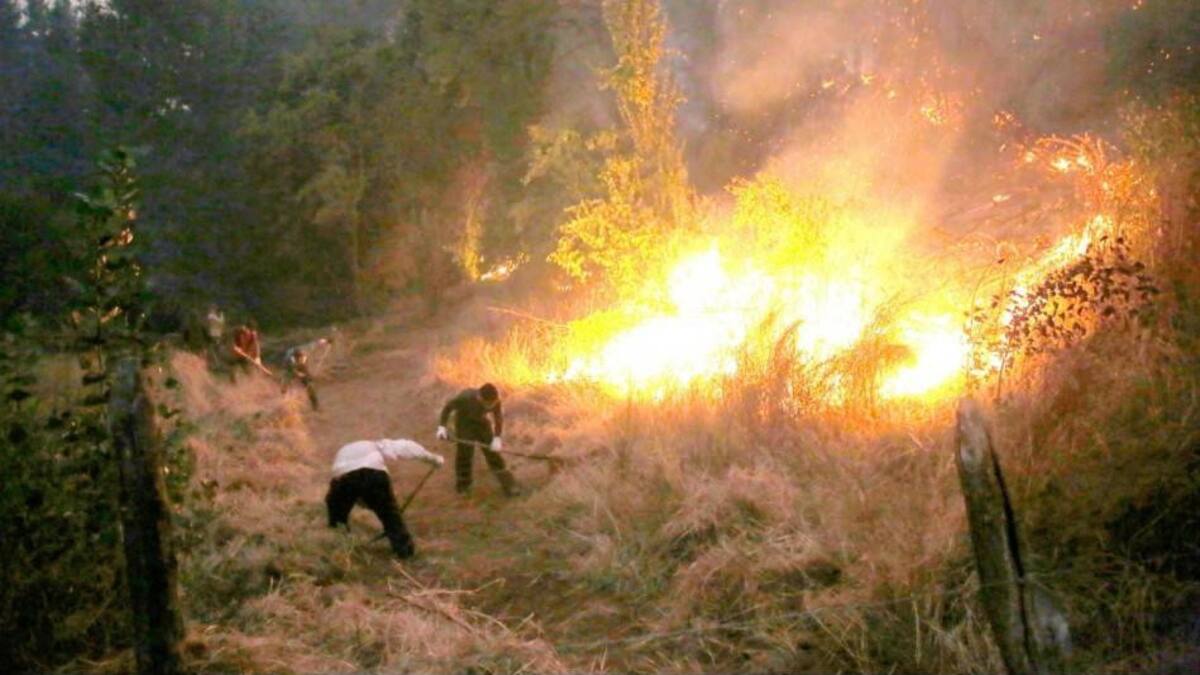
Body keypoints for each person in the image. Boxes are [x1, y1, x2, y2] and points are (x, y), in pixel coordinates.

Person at [326, 438, 444, 559]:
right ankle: (405, 552)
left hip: (343, 478)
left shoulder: (350, 454)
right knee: (390, 515)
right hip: (373, 475)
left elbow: (334, 496)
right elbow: (408, 447)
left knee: (337, 518)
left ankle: (341, 549)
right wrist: (434, 459)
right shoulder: (379, 446)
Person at [436, 383, 520, 497]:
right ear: (479, 398)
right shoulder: (465, 398)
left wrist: (497, 438)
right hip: (464, 423)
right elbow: (447, 408)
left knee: (493, 453)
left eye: (493, 404)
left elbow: (498, 417)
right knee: (465, 453)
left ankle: (509, 485)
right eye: (488, 404)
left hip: (481, 423)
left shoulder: (495, 401)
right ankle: (463, 486)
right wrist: (442, 427)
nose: (491, 406)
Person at [282, 337, 329, 410]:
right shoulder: (290, 360)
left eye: (303, 357)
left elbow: (317, 343)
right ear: (296, 358)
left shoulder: (307, 349)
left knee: (309, 385)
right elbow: (292, 370)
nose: (302, 359)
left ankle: (315, 405)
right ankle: (285, 401)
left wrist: (327, 340)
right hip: (288, 368)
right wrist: (298, 374)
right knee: (285, 384)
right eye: (300, 359)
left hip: (301, 366)